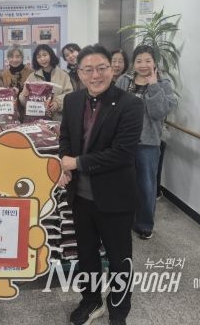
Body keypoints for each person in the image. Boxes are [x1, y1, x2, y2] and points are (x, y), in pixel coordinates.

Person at [58, 45, 144, 325]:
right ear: (79, 73)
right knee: (86, 255)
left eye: (101, 68)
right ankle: (91, 301)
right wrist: (64, 164)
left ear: (112, 69)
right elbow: (65, 139)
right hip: (81, 198)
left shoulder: (130, 104)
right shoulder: (72, 100)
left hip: (115, 197)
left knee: (120, 260)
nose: (95, 75)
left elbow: (122, 153)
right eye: (88, 70)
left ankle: (118, 313)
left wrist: (76, 163)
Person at [116, 45, 177, 240]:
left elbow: (159, 112)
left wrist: (153, 86)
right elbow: (114, 108)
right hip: (123, 141)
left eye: (148, 60)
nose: (143, 65)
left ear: (154, 62)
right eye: (139, 60)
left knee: (146, 186)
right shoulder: (124, 80)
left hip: (148, 143)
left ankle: (144, 224)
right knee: (122, 183)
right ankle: (123, 220)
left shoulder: (164, 83)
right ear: (133, 63)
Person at [19, 44, 73, 121]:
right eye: (39, 57)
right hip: (38, 121)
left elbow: (70, 94)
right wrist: (24, 95)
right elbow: (23, 101)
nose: (42, 59)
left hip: (59, 120)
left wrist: (58, 103)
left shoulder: (63, 75)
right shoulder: (32, 77)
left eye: (45, 55)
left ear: (51, 55)